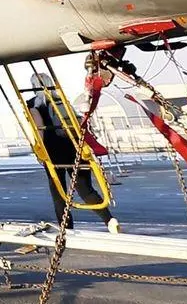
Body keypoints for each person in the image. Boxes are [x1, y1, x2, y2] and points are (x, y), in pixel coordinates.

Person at [26, 90, 119, 232]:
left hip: (53, 152)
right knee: (85, 189)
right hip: (75, 147)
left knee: (58, 192)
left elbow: (39, 130)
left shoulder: (33, 105)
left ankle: (67, 228)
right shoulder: (62, 101)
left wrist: (39, 151)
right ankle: (109, 220)